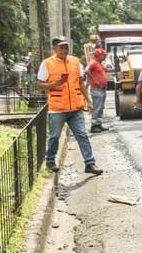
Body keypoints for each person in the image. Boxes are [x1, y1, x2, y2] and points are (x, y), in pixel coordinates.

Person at [37, 37, 102, 175]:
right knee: (54, 136)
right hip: (57, 109)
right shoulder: (47, 63)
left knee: (82, 135)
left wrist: (88, 100)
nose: (64, 50)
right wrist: (55, 83)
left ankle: (90, 163)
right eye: (61, 47)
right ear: (54, 49)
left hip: (76, 108)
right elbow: (39, 85)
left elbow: (80, 83)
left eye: (66, 47)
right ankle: (50, 161)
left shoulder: (75, 61)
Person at [86, 48, 109, 133]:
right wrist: (95, 80)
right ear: (98, 55)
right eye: (103, 55)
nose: (105, 56)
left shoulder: (99, 63)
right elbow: (87, 70)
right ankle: (94, 126)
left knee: (100, 108)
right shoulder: (93, 63)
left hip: (102, 89)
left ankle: (98, 124)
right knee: (97, 108)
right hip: (97, 89)